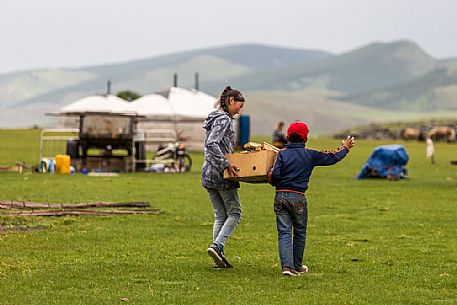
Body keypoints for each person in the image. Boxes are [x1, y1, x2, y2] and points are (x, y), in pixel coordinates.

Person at [268, 121, 355, 276]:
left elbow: (275, 175)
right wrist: (345, 148)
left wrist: (273, 181)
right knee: (300, 232)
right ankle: (297, 265)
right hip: (298, 198)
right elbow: (332, 157)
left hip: (280, 196)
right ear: (305, 138)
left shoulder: (282, 153)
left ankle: (287, 268)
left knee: (284, 233)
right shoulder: (310, 154)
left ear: (288, 137)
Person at [202, 85, 246, 268]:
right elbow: (212, 143)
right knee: (235, 213)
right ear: (230, 101)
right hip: (220, 174)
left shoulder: (214, 117)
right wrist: (226, 164)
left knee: (220, 215)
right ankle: (217, 246)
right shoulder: (224, 120)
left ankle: (218, 259)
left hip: (207, 174)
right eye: (239, 106)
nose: (239, 110)